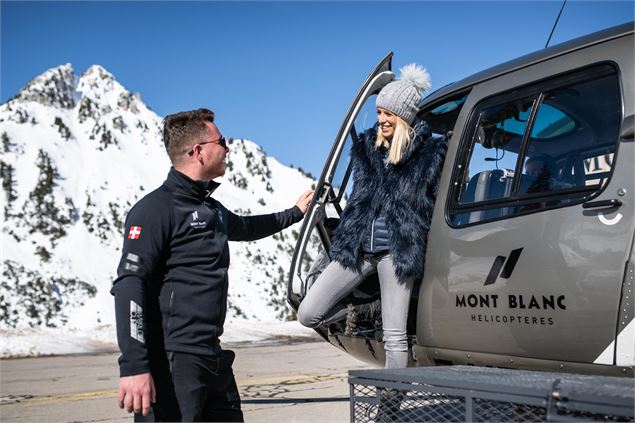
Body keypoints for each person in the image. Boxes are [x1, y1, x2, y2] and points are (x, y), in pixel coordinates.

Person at [111, 108, 313, 421]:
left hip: (212, 355)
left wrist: (296, 213)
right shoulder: (155, 209)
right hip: (174, 359)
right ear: (198, 151)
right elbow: (129, 285)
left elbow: (246, 228)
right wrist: (134, 366)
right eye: (221, 141)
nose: (228, 148)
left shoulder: (210, 210)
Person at [297, 64, 447, 369]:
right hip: (357, 249)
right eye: (378, 113)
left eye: (387, 114)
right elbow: (358, 200)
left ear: (403, 116)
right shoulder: (366, 149)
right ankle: (367, 311)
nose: (381, 120)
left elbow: (436, 203)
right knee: (308, 313)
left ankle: (390, 410)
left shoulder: (430, 155)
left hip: (397, 254)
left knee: (395, 340)